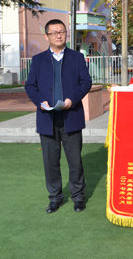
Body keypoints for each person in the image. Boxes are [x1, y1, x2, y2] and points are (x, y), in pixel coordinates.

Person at [25, 19, 92, 214]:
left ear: (66, 34)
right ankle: (55, 198)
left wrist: (73, 99)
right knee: (50, 162)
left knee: (75, 161)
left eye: (62, 32)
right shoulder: (38, 60)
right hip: (47, 119)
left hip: (71, 116)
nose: (59, 35)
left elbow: (85, 82)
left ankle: (78, 197)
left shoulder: (77, 58)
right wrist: (40, 102)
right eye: (54, 32)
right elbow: (30, 85)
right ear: (47, 36)